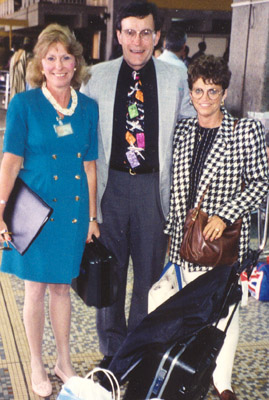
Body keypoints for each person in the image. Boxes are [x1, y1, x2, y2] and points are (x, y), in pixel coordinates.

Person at [81, 1, 195, 369]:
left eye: (145, 32)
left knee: (148, 273)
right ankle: (112, 349)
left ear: (157, 36)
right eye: (129, 32)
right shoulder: (95, 77)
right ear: (118, 36)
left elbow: (193, 129)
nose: (137, 40)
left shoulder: (175, 78)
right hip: (110, 186)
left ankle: (139, 345)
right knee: (108, 270)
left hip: (152, 189)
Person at [0, 23, 99, 398]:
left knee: (62, 288)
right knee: (35, 290)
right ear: (41, 63)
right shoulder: (25, 105)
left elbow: (90, 167)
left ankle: (63, 361)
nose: (59, 65)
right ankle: (36, 362)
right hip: (34, 213)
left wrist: (92, 217)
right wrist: (0, 209)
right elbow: (10, 162)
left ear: (76, 62)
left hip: (72, 214)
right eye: (51, 58)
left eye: (66, 57)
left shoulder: (87, 108)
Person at [164, 55, 269, 400]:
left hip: (220, 242)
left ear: (224, 94)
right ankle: (189, 369)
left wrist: (224, 214)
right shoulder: (180, 130)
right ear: (190, 92)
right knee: (187, 309)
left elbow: (260, 183)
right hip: (183, 241)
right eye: (198, 90)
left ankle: (222, 382)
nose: (205, 98)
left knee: (224, 310)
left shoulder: (245, 132)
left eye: (213, 91)